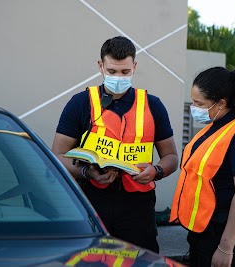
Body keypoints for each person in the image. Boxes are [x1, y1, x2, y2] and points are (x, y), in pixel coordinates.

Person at [52, 36, 178, 253]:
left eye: (124, 72)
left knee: (139, 260)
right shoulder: (80, 103)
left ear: (134, 67)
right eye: (112, 71)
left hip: (138, 205)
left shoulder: (153, 105)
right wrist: (87, 172)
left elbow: (172, 157)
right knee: (92, 259)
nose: (118, 77)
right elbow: (57, 155)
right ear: (100, 66)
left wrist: (156, 170)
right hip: (93, 200)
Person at [169, 67, 235, 267]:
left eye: (198, 103)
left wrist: (225, 248)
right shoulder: (214, 128)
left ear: (221, 103)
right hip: (206, 231)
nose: (194, 108)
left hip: (231, 237)